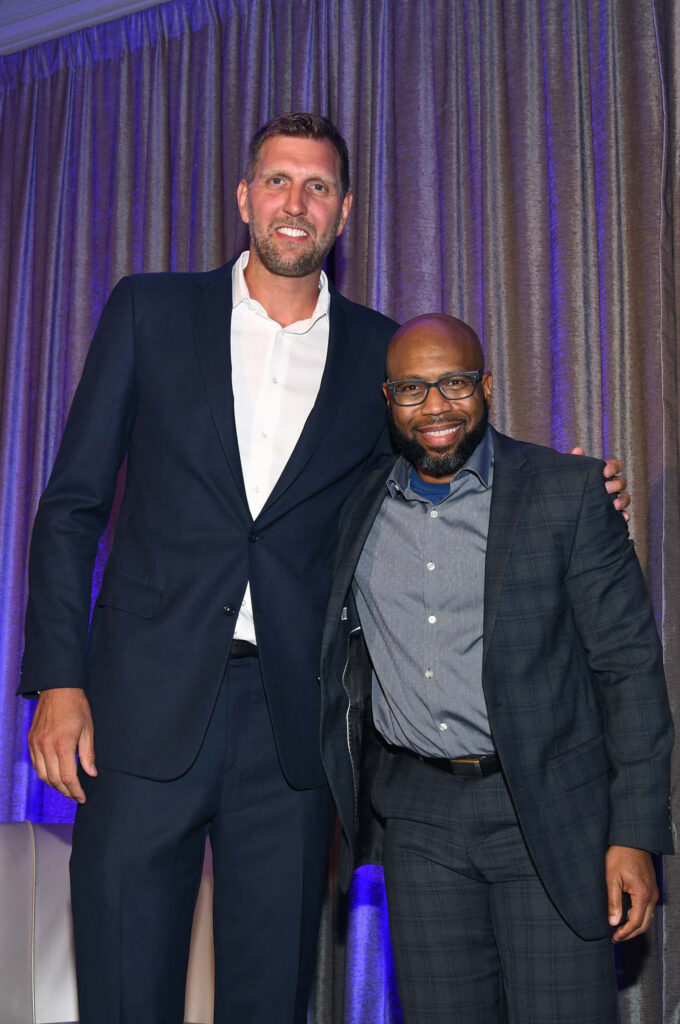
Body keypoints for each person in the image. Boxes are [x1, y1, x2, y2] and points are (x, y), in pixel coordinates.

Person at [19, 112, 628, 1023]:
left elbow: (445, 454)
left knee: (271, 996)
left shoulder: (374, 355)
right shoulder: (149, 310)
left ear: (343, 213)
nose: (293, 203)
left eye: (316, 187)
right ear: (243, 198)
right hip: (138, 708)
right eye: (277, 181)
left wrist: (572, 489)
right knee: (121, 981)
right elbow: (70, 509)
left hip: (295, 727)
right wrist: (58, 682)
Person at [319, 313, 673, 1024]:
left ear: (484, 385)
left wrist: (634, 833)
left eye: (453, 382)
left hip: (545, 808)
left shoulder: (566, 492)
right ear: (387, 401)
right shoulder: (351, 505)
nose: (435, 407)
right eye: (412, 389)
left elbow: (629, 669)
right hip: (418, 818)